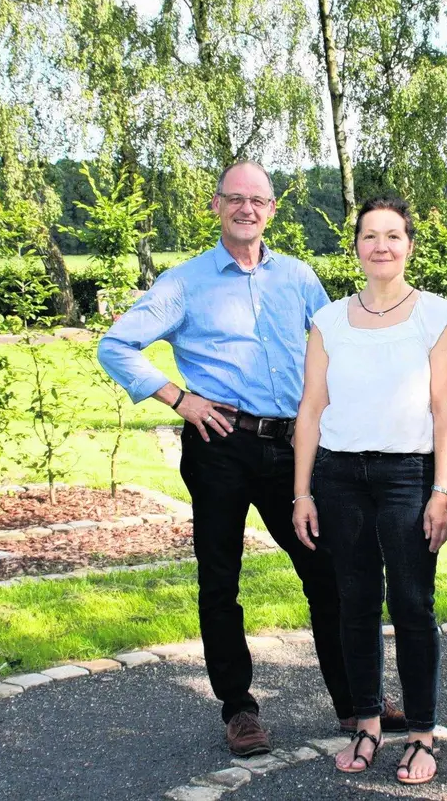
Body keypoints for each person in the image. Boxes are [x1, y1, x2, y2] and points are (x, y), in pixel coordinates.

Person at [97, 161, 404, 756]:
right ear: (216, 206)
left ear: (271, 209)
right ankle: (238, 709)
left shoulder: (297, 277)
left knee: (328, 571)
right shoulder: (184, 283)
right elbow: (116, 345)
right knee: (221, 579)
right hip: (220, 445)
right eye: (234, 199)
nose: (246, 209)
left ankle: (354, 703)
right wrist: (179, 399)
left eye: (257, 200)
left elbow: (330, 348)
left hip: (293, 446)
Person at [291, 196, 447, 786]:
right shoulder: (329, 321)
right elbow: (311, 410)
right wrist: (302, 493)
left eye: (393, 235)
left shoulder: (437, 317)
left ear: (409, 245)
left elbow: (446, 412)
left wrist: (442, 490)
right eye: (370, 236)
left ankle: (420, 734)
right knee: (355, 603)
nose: (381, 246)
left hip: (407, 478)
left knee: (413, 605)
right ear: (357, 246)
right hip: (338, 478)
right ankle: (366, 722)